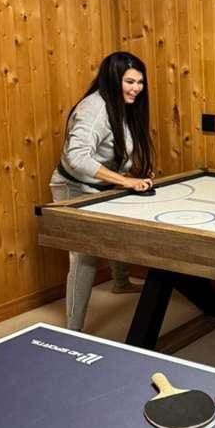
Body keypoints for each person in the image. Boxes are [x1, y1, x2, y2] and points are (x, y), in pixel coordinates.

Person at [50, 52, 155, 332]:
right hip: (73, 187)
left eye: (140, 82)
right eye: (130, 82)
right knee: (84, 256)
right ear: (112, 79)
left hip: (100, 185)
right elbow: (77, 157)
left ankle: (120, 283)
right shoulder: (94, 109)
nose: (136, 88)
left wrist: (132, 175)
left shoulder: (123, 104)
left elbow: (118, 148)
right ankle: (73, 330)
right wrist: (125, 182)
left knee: (116, 231)